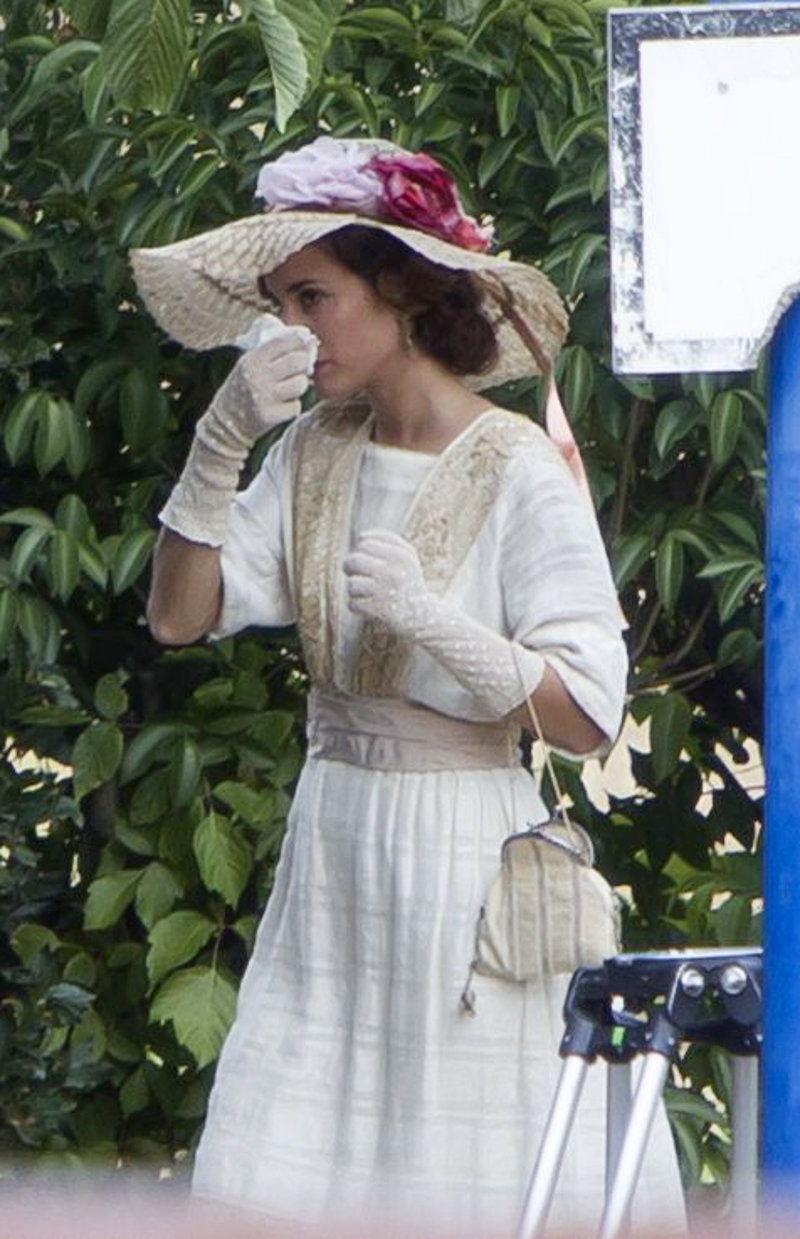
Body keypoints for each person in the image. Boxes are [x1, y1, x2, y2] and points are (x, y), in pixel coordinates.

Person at [132, 137, 685, 1234]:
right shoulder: (313, 450)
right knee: (284, 1162)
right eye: (279, 305)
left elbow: (588, 714)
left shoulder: (515, 463)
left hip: (459, 858)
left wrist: (436, 624)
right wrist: (220, 442)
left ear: (400, 289)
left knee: (457, 1164)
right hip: (334, 848)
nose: (293, 331)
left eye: (314, 298)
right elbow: (178, 616)